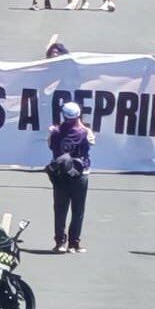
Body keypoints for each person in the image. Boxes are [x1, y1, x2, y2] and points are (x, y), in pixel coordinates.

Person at [46, 102, 93, 253]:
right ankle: (74, 243)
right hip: (80, 174)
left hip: (60, 174)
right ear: (79, 115)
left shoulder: (54, 131)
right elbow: (92, 142)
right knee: (78, 210)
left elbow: (50, 145)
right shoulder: (85, 132)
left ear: (63, 115)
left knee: (60, 209)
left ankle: (60, 242)